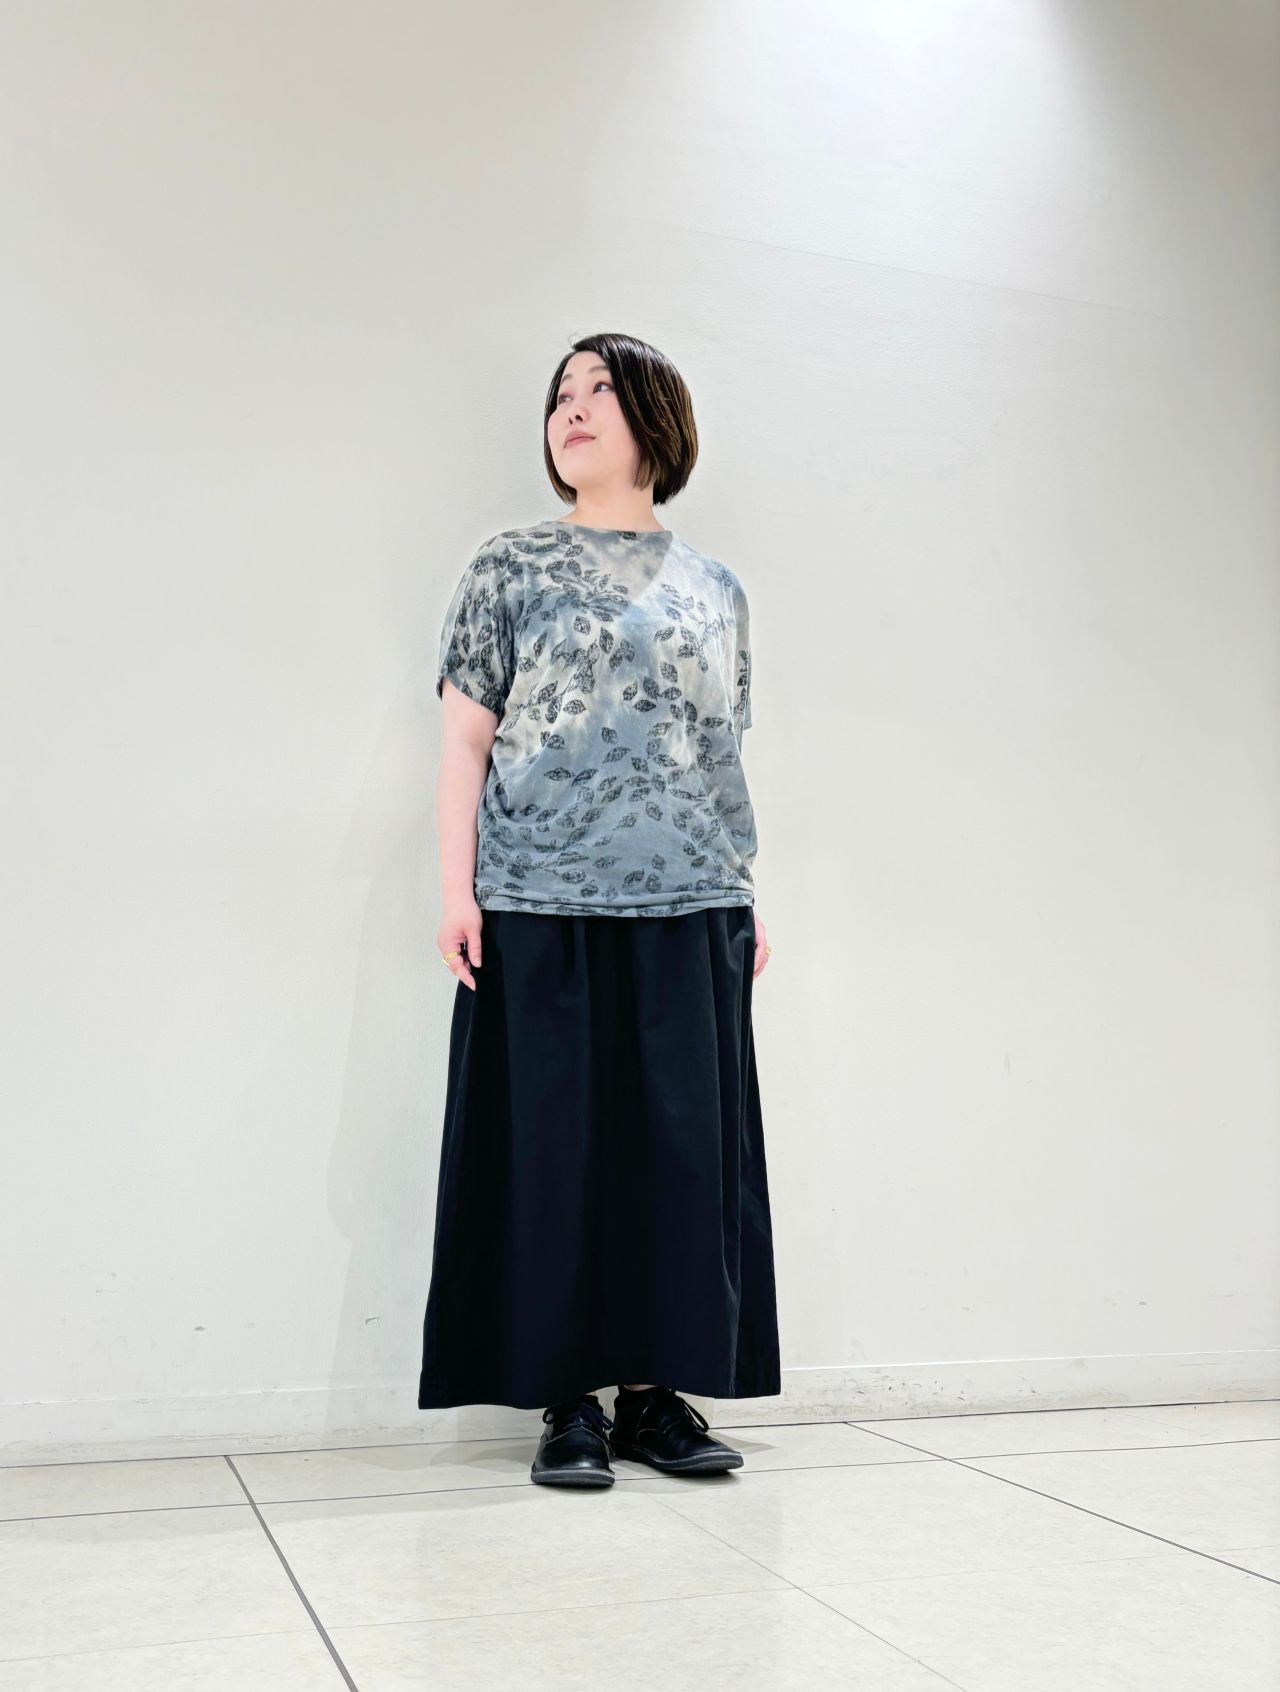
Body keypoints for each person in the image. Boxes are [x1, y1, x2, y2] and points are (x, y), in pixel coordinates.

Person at [417, 331, 781, 1488]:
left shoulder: (714, 589)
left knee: (677, 1162)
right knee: (555, 1157)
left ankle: (653, 1398)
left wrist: (743, 889)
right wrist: (455, 891)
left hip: (690, 900)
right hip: (540, 899)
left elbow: (719, 753)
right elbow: (463, 743)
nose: (571, 408)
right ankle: (565, 1401)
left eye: (600, 390)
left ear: (655, 420)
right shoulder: (509, 566)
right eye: (559, 394)